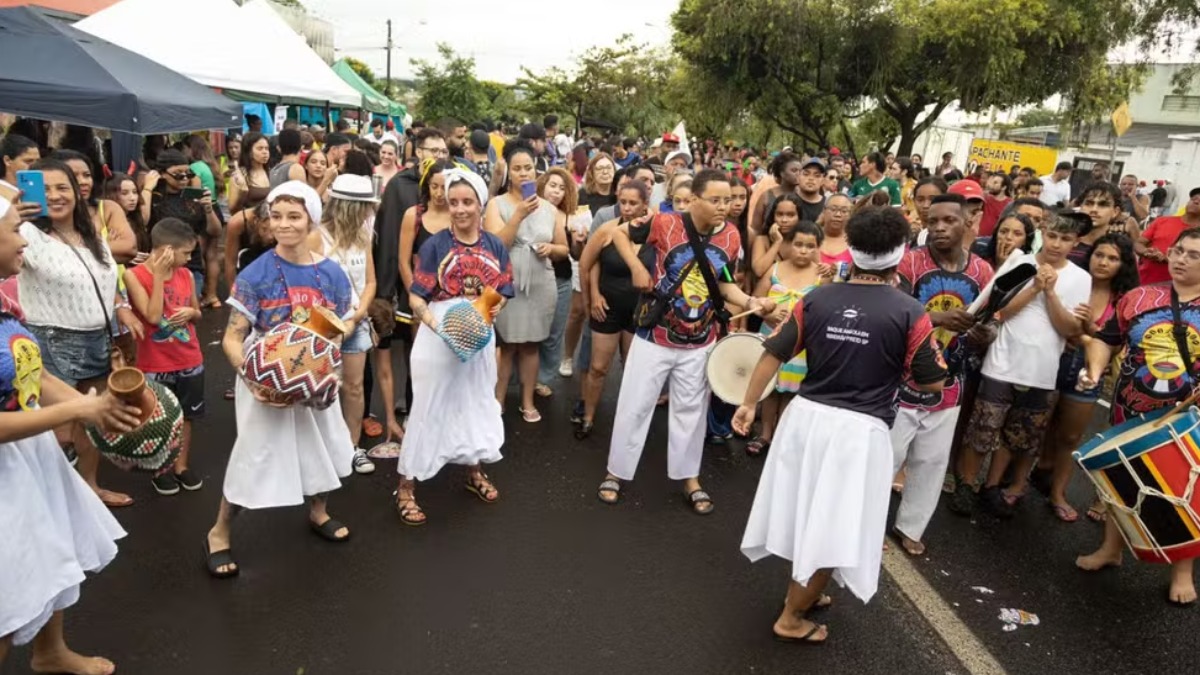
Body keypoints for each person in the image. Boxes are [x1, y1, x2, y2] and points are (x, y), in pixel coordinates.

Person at [735, 205, 948, 643]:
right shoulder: (910, 311)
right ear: (899, 254)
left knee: (805, 512)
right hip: (858, 432)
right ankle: (791, 618)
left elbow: (773, 350)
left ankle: (803, 592)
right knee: (834, 524)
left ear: (851, 249)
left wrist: (748, 403)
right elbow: (933, 379)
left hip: (804, 419)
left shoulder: (818, 297)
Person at [0, 197, 139, 675]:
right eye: (14, 230)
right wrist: (80, 408)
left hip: (29, 457)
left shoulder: (3, 298)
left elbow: (32, 375)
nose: (24, 240)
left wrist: (98, 411)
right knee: (11, 591)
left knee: (54, 554)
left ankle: (50, 652)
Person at [595, 169, 772, 513]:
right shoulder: (664, 223)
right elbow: (618, 234)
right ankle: (616, 472)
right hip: (653, 336)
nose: (724, 207)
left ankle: (689, 477)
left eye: (728, 200)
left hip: (700, 340)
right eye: (715, 200)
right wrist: (636, 266)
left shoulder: (731, 236)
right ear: (693, 200)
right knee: (635, 405)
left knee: (691, 412)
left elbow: (723, 283)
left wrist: (752, 301)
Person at [205, 181, 355, 578]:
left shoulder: (332, 274)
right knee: (255, 455)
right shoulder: (256, 274)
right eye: (276, 216)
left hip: (313, 374)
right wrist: (256, 380)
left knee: (325, 446)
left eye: (294, 216)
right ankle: (219, 532)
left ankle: (318, 511)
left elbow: (338, 329)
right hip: (265, 376)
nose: (284, 224)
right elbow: (233, 337)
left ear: (311, 220)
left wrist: (324, 369)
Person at [1074, 227, 1200, 605]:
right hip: (1130, 408)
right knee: (1121, 484)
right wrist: (1094, 370)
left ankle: (1182, 572)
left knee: (1185, 491)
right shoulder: (1139, 297)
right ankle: (1110, 549)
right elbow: (1107, 340)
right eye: (1178, 251)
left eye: (1193, 255)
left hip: (1188, 419)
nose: (1181, 259)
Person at [951, 211, 1092, 517]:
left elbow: (1070, 328)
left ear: (1076, 242)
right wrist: (1034, 288)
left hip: (1042, 370)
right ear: (1042, 233)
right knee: (983, 428)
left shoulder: (1082, 278)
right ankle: (966, 484)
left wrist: (1050, 293)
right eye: (1052, 236)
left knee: (1017, 435)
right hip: (1001, 363)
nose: (1056, 244)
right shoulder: (1020, 263)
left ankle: (992, 487)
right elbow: (1001, 310)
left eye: (1065, 239)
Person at [394, 169, 513, 525]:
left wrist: (491, 310)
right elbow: (417, 297)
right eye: (454, 202)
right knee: (429, 405)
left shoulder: (494, 245)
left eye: (467, 202)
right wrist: (437, 326)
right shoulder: (435, 245)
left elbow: (503, 290)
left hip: (479, 331)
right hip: (439, 331)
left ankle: (473, 471)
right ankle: (406, 486)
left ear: (480, 204)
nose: (460, 209)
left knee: (475, 400)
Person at [19, 159, 138, 508]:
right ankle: (52, 504)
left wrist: (121, 308)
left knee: (92, 424)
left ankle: (90, 490)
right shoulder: (26, 235)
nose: (54, 196)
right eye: (44, 189)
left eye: (62, 187)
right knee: (57, 431)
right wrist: (14, 205)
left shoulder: (91, 235)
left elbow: (102, 281)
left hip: (98, 339)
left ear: (76, 191)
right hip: (53, 342)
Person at [889, 194, 995, 555]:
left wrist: (983, 334)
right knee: (886, 457)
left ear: (968, 223)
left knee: (931, 461)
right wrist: (936, 318)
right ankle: (866, 526)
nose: (939, 228)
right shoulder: (910, 262)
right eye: (932, 221)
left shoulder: (982, 272)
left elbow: (991, 323)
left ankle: (911, 526)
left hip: (952, 380)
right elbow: (895, 311)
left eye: (949, 220)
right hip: (902, 380)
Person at [1033, 233, 1137, 521]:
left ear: (1123, 265)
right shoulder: (1072, 279)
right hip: (1052, 361)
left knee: (1070, 436)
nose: (1103, 262)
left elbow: (1118, 344)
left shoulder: (1124, 299)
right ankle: (1026, 476)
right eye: (1099, 255)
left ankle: (1058, 493)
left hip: (1088, 372)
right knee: (1037, 426)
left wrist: (1090, 330)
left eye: (1112, 258)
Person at [484, 143, 568, 422]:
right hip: (507, 283)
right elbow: (496, 245)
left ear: (536, 170)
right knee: (506, 345)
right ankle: (498, 399)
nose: (523, 173)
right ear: (508, 172)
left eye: (528, 167)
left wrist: (551, 249)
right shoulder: (496, 204)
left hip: (541, 282)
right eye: (517, 168)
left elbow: (564, 249)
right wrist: (519, 214)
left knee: (532, 346)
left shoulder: (549, 208)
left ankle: (527, 401)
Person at [123, 217, 205, 495]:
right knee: (157, 417)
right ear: (166, 250)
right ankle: (160, 468)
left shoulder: (187, 275)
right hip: (155, 361)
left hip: (189, 357)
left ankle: (181, 465)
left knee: (188, 415)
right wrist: (158, 276)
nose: (190, 258)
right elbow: (153, 316)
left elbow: (197, 312)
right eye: (186, 253)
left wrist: (192, 313)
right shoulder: (134, 275)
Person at [307, 175, 379, 475]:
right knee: (321, 388)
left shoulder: (363, 236)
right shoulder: (317, 237)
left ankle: (351, 446)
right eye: (365, 207)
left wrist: (359, 313)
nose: (370, 212)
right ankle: (322, 448)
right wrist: (334, 322)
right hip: (323, 327)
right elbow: (307, 285)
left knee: (354, 387)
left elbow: (370, 281)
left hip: (355, 323)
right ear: (351, 208)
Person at [574, 180, 652, 438]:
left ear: (645, 204)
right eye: (623, 202)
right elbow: (586, 264)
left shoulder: (655, 231)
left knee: (632, 370)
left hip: (639, 311)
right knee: (598, 367)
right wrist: (591, 299)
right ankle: (588, 417)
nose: (627, 208)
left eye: (633, 203)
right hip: (606, 308)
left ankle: (629, 422)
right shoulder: (607, 230)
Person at [744, 221, 825, 457]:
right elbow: (755, 300)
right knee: (770, 388)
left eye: (810, 246)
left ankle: (782, 435)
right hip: (771, 336)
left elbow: (825, 310)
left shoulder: (822, 276)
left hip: (802, 346)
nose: (803, 250)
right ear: (788, 244)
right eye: (798, 244)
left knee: (791, 391)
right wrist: (768, 314)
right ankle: (765, 433)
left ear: (817, 248)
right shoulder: (775, 269)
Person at [534, 167, 579, 397]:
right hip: (533, 280)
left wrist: (578, 240)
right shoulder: (529, 210)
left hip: (561, 280)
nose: (556, 191)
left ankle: (543, 378)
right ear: (542, 185)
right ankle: (522, 377)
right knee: (530, 333)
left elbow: (575, 254)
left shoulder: (570, 216)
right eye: (552, 185)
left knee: (553, 334)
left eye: (562, 188)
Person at [1136, 187, 1200, 285]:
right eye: (1193, 199)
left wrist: (1167, 258)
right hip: (1144, 280)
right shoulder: (1162, 221)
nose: (1196, 201)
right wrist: (1146, 252)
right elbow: (1138, 243)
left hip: (1178, 287)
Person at [750, 152, 803, 238]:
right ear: (781, 173)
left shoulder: (803, 195)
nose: (798, 174)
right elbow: (756, 229)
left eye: (801, 171)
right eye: (794, 170)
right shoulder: (766, 196)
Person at [229, 132, 271, 214]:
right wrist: (242, 193)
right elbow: (232, 211)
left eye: (267, 148)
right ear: (249, 152)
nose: (265, 152)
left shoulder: (271, 172)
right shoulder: (239, 175)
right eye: (260, 148)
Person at [979, 172, 1013, 237]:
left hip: (995, 239)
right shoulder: (985, 198)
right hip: (979, 238)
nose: (992, 185)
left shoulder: (1010, 204)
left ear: (1003, 187)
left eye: (995, 183)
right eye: (992, 182)